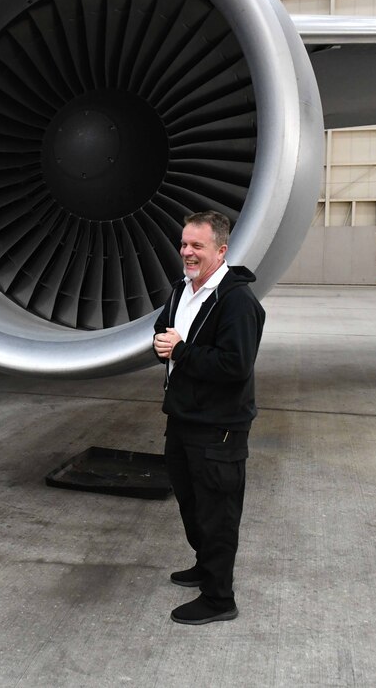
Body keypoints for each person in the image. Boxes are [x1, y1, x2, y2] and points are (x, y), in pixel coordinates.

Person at [152, 211, 265, 626]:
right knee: (192, 503)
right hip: (182, 419)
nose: (187, 252)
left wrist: (179, 351)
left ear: (221, 250)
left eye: (197, 246)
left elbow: (235, 365)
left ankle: (219, 598)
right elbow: (163, 331)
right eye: (184, 244)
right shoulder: (181, 290)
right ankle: (205, 567)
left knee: (218, 512)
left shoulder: (237, 301)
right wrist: (162, 344)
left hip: (219, 428)